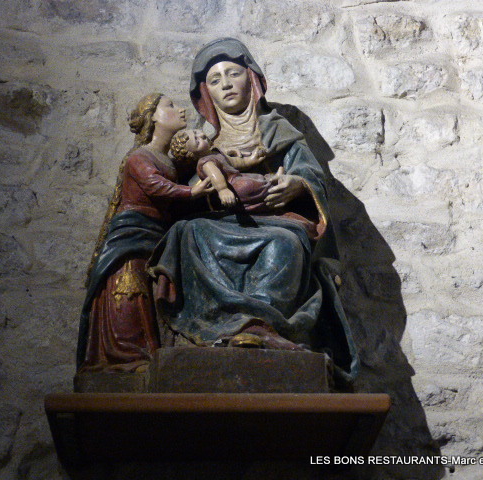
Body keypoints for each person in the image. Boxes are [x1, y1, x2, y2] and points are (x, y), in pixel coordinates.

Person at [148, 38, 359, 383]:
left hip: (277, 222)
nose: (226, 84)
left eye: (233, 74)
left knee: (286, 244)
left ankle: (261, 325)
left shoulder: (280, 130)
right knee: (187, 233)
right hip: (219, 221)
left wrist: (296, 185)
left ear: (252, 80)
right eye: (215, 80)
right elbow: (187, 190)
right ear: (206, 94)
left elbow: (312, 178)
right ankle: (218, 327)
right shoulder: (200, 141)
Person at [76, 93, 212, 373]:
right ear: (153, 118)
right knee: (129, 289)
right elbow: (154, 185)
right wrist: (191, 191)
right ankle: (123, 355)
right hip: (132, 233)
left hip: (155, 232)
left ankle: (151, 350)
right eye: (170, 106)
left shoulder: (167, 160)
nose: (181, 110)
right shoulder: (139, 157)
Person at [170, 128, 280, 212]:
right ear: (193, 155)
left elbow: (235, 162)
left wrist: (250, 160)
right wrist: (223, 190)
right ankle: (271, 187)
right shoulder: (206, 162)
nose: (201, 135)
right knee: (247, 185)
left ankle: (271, 181)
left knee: (255, 177)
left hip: (237, 177)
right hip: (231, 186)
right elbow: (215, 176)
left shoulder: (215, 152)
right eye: (197, 142)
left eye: (196, 132)